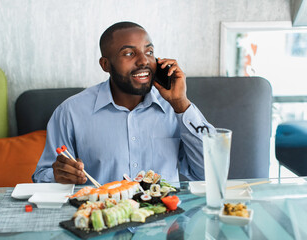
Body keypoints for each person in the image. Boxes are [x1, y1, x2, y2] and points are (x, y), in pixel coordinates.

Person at [32, 21, 214, 185]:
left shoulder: (176, 109)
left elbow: (209, 174)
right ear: (105, 64)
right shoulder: (70, 112)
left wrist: (181, 105)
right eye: (129, 53)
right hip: (100, 218)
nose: (144, 60)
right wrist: (58, 176)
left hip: (165, 219)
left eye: (149, 52)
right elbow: (41, 176)